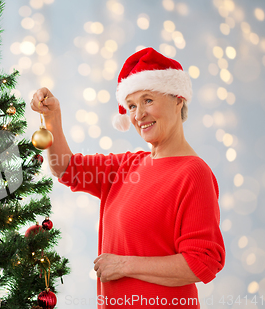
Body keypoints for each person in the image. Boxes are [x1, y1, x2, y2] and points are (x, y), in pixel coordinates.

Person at [31, 47, 225, 308]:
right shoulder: (126, 166)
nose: (138, 114)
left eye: (148, 100)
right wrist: (52, 117)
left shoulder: (193, 173)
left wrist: (124, 264)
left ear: (178, 99)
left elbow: (202, 262)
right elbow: (66, 168)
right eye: (131, 105)